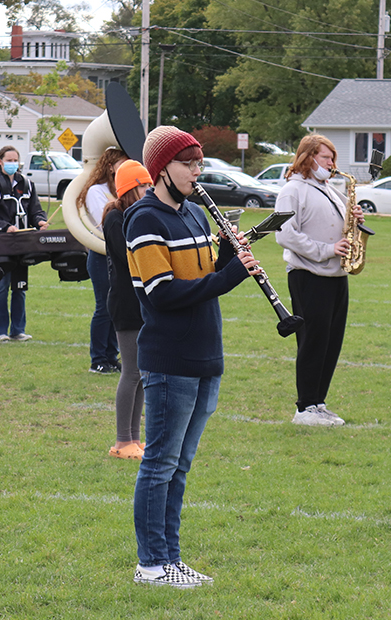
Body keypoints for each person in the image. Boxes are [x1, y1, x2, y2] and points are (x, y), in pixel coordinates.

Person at [125, 126, 257, 588]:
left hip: (206, 353)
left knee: (179, 465)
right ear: (161, 169)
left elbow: (207, 275)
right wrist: (232, 276)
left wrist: (227, 254)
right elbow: (161, 293)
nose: (196, 172)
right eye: (187, 163)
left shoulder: (197, 213)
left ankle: (171, 558)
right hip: (169, 357)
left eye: (199, 163)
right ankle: (151, 564)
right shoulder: (143, 219)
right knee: (160, 463)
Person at [274, 134, 363, 427]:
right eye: (326, 158)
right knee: (313, 341)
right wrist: (327, 250)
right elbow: (285, 235)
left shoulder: (328, 188)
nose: (331, 164)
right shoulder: (292, 190)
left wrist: (355, 218)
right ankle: (304, 407)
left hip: (336, 274)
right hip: (308, 275)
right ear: (308, 157)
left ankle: (318, 402)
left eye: (333, 158)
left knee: (331, 341)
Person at [102, 159, 152, 460]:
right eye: (144, 185)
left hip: (142, 302)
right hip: (126, 303)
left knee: (143, 373)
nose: (149, 189)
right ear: (130, 189)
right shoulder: (116, 219)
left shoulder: (137, 215)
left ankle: (134, 437)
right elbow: (131, 255)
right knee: (132, 372)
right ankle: (122, 441)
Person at [0, 146, 49, 342]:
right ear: (0, 161)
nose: (12, 164)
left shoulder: (26, 184)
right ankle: (0, 331)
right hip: (1, 243)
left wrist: (40, 221)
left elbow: (35, 210)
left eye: (15, 160)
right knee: (2, 285)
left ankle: (18, 330)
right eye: (8, 160)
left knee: (20, 286)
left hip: (22, 242)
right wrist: (5, 227)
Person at [78, 147, 128, 374]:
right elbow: (104, 219)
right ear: (110, 166)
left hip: (119, 254)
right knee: (103, 307)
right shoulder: (96, 191)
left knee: (117, 306)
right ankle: (97, 358)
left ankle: (111, 356)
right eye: (121, 163)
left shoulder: (125, 190)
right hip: (100, 255)